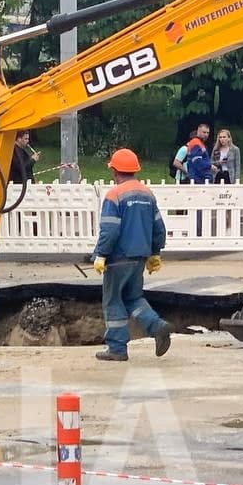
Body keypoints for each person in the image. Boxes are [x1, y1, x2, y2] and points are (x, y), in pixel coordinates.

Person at [90, 148, 172, 361]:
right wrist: (155, 253)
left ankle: (117, 349)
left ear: (115, 171)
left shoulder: (114, 195)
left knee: (113, 300)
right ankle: (157, 326)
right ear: (135, 170)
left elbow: (110, 229)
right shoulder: (147, 194)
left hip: (118, 258)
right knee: (133, 297)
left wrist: (101, 254)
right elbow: (158, 228)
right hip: (140, 257)